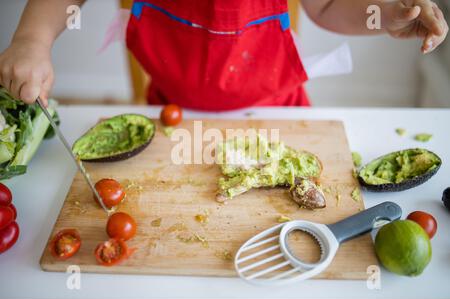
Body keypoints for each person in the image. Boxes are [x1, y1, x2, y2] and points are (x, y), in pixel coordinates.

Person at [0, 0, 447, 110]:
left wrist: (383, 14)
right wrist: (33, 40)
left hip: (280, 114)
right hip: (171, 116)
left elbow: (328, 6)